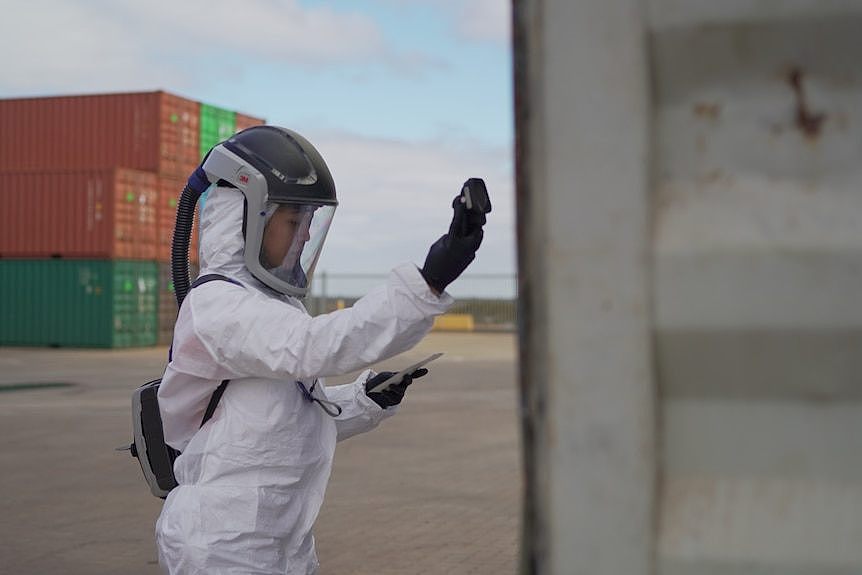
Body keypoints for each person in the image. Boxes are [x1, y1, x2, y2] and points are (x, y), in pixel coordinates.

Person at [154, 126, 486, 574]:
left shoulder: (274, 307)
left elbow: (281, 427)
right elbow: (314, 346)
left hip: (282, 547)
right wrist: (429, 281)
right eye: (295, 221)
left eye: (311, 222)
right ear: (249, 217)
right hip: (222, 548)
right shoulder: (217, 306)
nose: (306, 237)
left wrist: (363, 400)